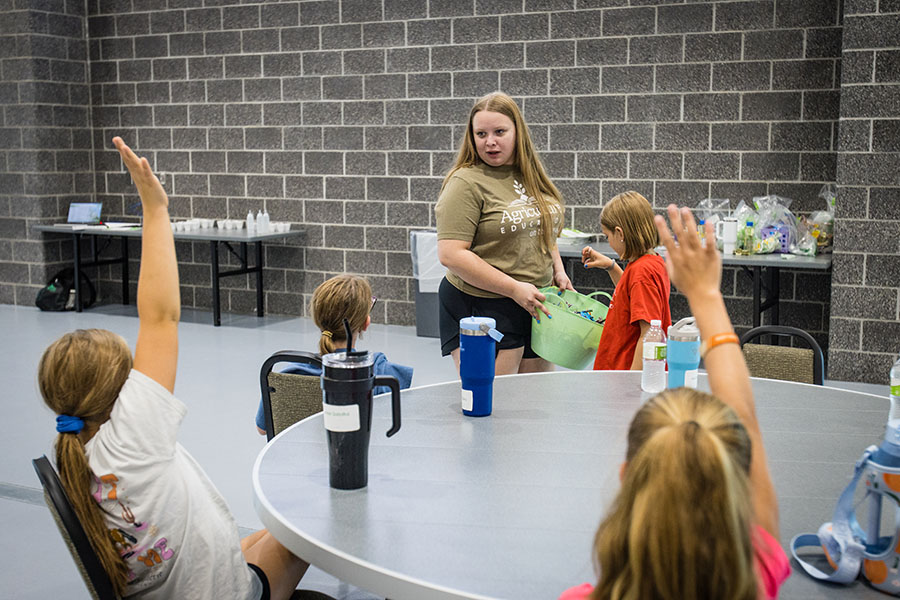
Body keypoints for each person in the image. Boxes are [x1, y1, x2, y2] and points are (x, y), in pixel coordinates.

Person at [38, 137, 309, 600]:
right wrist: (155, 208)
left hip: (177, 582)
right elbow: (160, 316)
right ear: (119, 392)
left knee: (267, 534)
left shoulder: (77, 451)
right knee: (309, 523)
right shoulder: (131, 437)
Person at [559, 205, 790, 600]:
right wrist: (705, 295)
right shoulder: (755, 573)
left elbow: (649, 326)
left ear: (626, 477)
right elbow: (746, 424)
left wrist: (632, 382)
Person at [435, 91, 573, 376]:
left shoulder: (531, 175)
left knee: (534, 398)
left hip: (534, 300)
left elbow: (541, 229)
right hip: (482, 303)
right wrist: (513, 289)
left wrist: (558, 270)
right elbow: (451, 254)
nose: (490, 141)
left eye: (499, 131)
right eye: (481, 133)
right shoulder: (465, 182)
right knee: (494, 404)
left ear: (517, 132)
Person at [254, 274, 413, 435]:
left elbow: (262, 429)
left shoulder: (291, 372)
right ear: (366, 323)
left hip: (301, 459)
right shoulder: (380, 371)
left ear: (318, 320)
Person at [581, 191, 671, 370]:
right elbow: (633, 297)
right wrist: (611, 267)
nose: (609, 243)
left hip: (625, 378)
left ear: (619, 233)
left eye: (607, 237)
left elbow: (648, 334)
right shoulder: (650, 262)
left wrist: (633, 382)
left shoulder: (641, 273)